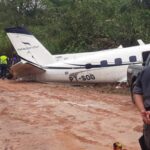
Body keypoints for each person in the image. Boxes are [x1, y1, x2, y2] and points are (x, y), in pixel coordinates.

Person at [133, 66, 150, 150]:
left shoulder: (146, 71)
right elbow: (137, 91)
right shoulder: (146, 71)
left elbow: (137, 91)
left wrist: (142, 110)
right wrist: (143, 110)